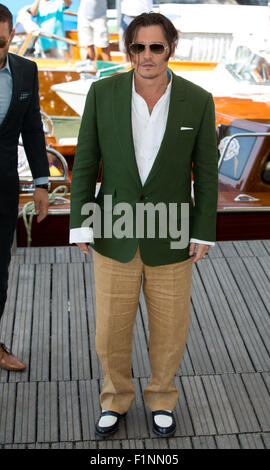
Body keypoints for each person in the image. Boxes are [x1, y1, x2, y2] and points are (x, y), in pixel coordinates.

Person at [70, 12, 218, 438]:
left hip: (172, 232)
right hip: (112, 230)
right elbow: (85, 162)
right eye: (139, 47)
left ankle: (161, 397)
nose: (147, 56)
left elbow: (206, 172)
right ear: (128, 49)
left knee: (170, 328)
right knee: (110, 329)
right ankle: (114, 399)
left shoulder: (199, 99)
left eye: (156, 46)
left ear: (171, 46)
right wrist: (82, 222)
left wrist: (203, 229)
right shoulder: (102, 93)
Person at [0, 4, 50, 371]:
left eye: (0, 43)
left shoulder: (25, 71)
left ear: (12, 37)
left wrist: (42, 183)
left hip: (3, 189)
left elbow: (32, 129)